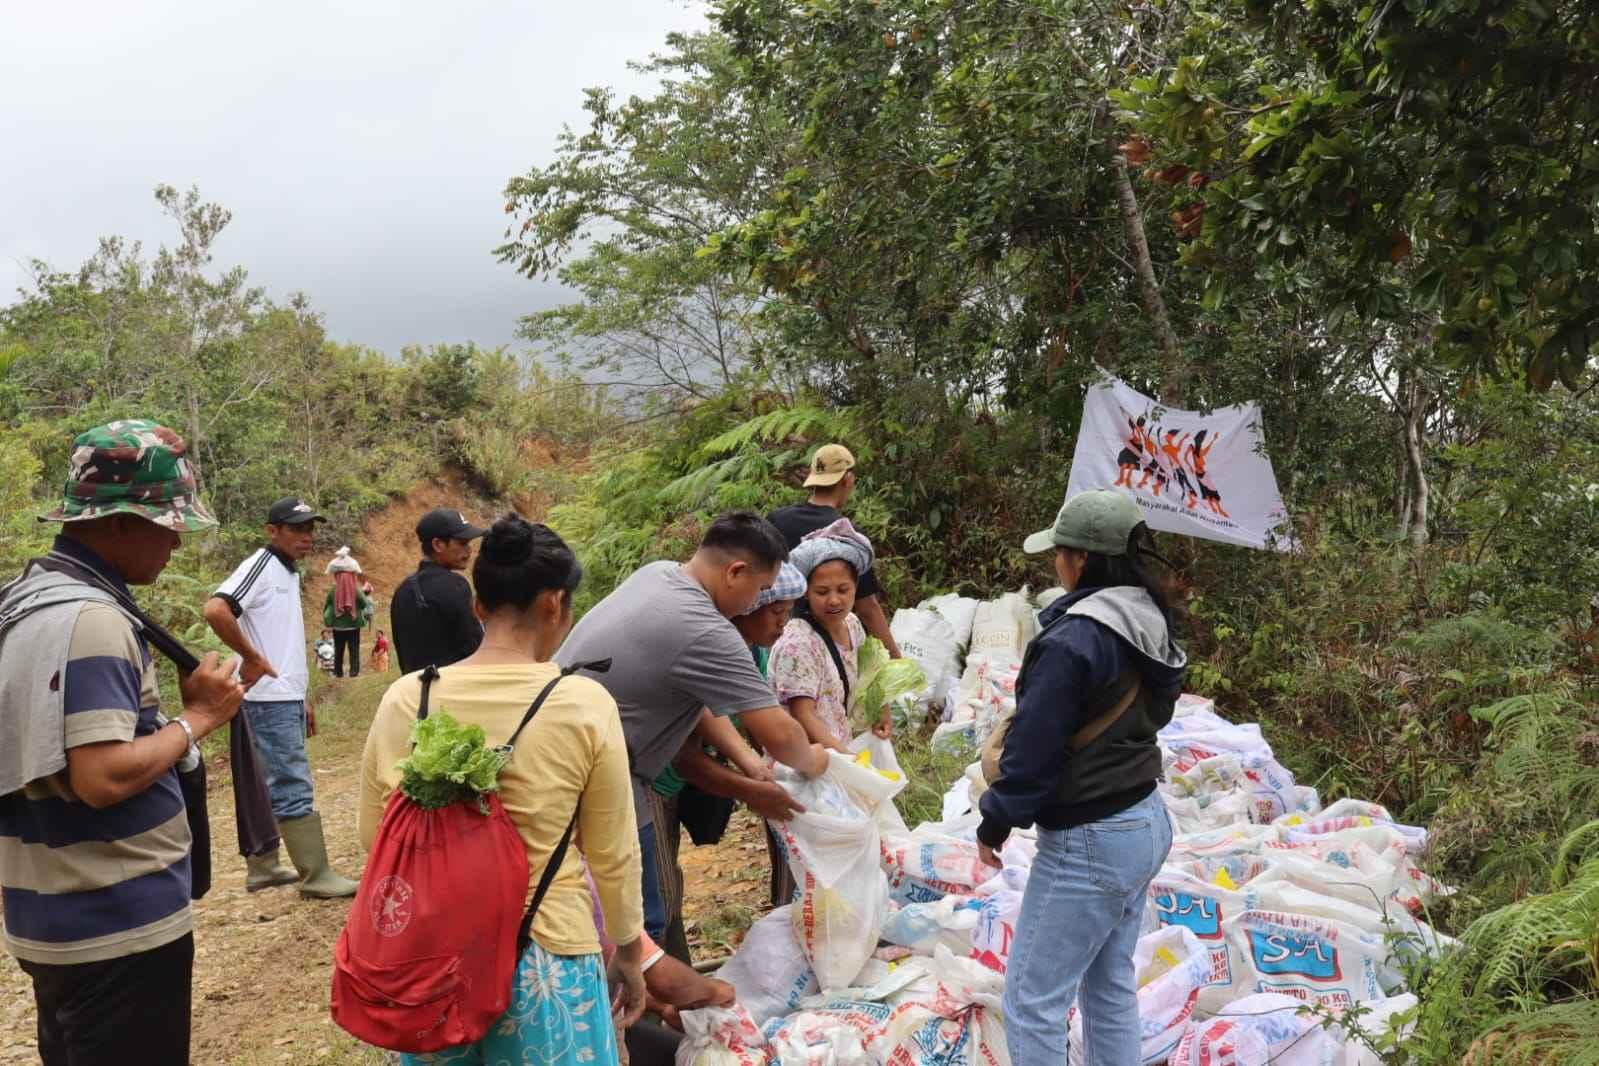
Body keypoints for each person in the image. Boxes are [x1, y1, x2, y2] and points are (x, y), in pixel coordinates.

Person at [0, 419, 246, 1066]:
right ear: (117, 523)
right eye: (166, 524)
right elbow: (101, 776)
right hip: (113, 925)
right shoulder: (94, 622)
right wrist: (199, 717)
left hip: (55, 913)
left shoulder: (27, 598)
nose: (174, 543)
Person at [359, 515, 646, 1066]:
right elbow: (611, 851)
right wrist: (629, 950)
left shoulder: (404, 698)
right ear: (554, 604)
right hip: (546, 958)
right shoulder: (582, 704)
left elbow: (376, 834)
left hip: (434, 961)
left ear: (478, 606)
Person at [975, 490, 1186, 1066]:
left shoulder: (1074, 638)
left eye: (1060, 554)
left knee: (1031, 1001)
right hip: (1144, 820)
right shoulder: (1146, 617)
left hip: (1091, 839)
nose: (1056, 565)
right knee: (1109, 985)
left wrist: (994, 820)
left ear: (1083, 559)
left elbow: (1035, 751)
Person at [556, 512, 829, 947]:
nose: (757, 603)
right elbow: (782, 735)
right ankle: (636, 1010)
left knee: (607, 914)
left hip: (562, 757)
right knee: (638, 925)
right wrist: (822, 762)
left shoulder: (660, 574)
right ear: (735, 572)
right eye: (759, 591)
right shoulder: (705, 627)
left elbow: (694, 703)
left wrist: (746, 761)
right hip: (600, 778)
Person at [204, 496, 359, 899]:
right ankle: (316, 873)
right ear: (273, 531)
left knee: (266, 780)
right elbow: (217, 609)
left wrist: (301, 696)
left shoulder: (287, 573)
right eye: (297, 529)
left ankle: (265, 866)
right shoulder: (261, 565)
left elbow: (283, 640)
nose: (306, 537)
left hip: (282, 695)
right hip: (267, 698)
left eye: (310, 529)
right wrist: (252, 658)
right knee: (291, 779)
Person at [767, 443, 903, 658]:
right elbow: (867, 607)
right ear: (848, 480)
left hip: (777, 637)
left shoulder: (777, 520)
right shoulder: (848, 537)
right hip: (824, 645)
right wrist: (896, 658)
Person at [770, 519, 893, 756]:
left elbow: (871, 673)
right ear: (805, 592)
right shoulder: (798, 643)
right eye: (822, 592)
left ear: (856, 587)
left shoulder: (853, 625)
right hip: (805, 758)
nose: (834, 600)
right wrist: (847, 759)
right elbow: (802, 714)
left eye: (843, 590)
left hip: (837, 749)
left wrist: (881, 710)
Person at [391, 507, 487, 674]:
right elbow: (475, 647)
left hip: (415, 692)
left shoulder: (402, 591)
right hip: (453, 690)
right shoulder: (455, 585)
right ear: (438, 544)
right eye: (462, 543)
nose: (469, 550)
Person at [322, 550, 371, 678]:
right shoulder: (355, 589)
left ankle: (338, 672)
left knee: (339, 649)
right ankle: (354, 672)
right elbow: (364, 603)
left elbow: (327, 605)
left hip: (337, 626)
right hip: (354, 625)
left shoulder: (333, 590)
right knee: (354, 649)